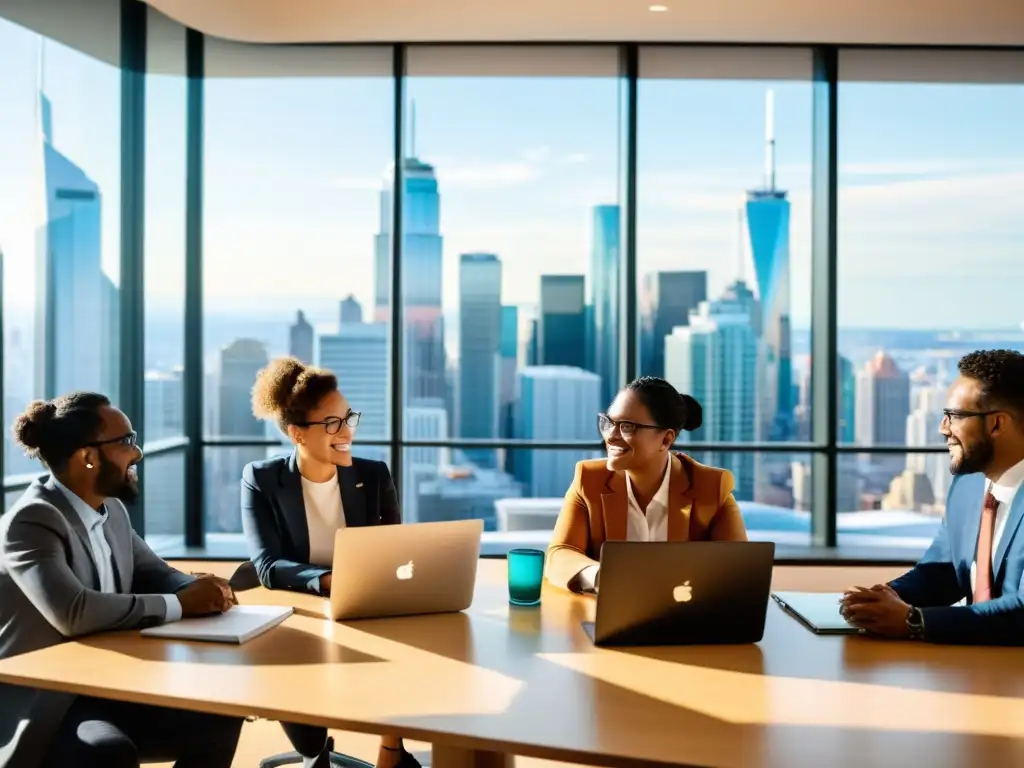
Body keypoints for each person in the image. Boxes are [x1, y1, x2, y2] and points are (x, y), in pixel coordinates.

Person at [0, 392, 242, 768]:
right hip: (52, 700)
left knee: (221, 713)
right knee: (108, 752)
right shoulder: (31, 521)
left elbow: (153, 571)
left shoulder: (109, 509)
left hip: (110, 682)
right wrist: (182, 603)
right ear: (88, 457)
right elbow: (73, 611)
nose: (138, 453)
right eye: (127, 442)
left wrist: (205, 590)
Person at [241, 357, 419, 768]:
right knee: (289, 657)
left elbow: (392, 548)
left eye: (349, 418)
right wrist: (327, 581)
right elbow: (266, 564)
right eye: (333, 424)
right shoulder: (263, 478)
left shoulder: (373, 475)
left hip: (363, 604)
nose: (348, 432)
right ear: (297, 434)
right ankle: (312, 750)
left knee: (413, 638)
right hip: (297, 609)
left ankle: (391, 747)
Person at [841, 349, 1024, 645]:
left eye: (954, 416)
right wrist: (882, 600)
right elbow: (944, 571)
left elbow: (1021, 611)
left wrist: (914, 621)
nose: (943, 428)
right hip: (973, 669)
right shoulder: (968, 484)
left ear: (996, 424)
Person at [547, 376, 748, 593]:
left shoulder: (711, 488)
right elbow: (559, 554)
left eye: (627, 427)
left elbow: (739, 572)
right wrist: (601, 576)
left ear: (666, 440)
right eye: (608, 423)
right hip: (608, 616)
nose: (611, 436)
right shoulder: (589, 480)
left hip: (684, 618)